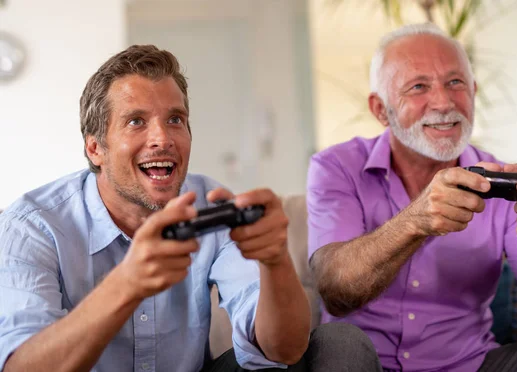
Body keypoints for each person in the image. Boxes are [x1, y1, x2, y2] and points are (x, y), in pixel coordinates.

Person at [0, 45, 382, 372]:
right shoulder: (33, 227)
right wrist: (128, 283)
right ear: (95, 148)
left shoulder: (211, 202)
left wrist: (275, 261)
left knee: (341, 342)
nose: (162, 138)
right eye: (136, 121)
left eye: (175, 119)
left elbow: (284, 350)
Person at [307, 23, 517, 372]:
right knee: (336, 344)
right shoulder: (336, 167)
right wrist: (415, 221)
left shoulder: (504, 182)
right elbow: (336, 292)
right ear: (380, 110)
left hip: (473, 365)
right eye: (418, 87)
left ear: (473, 92)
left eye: (455, 83)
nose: (444, 103)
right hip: (363, 363)